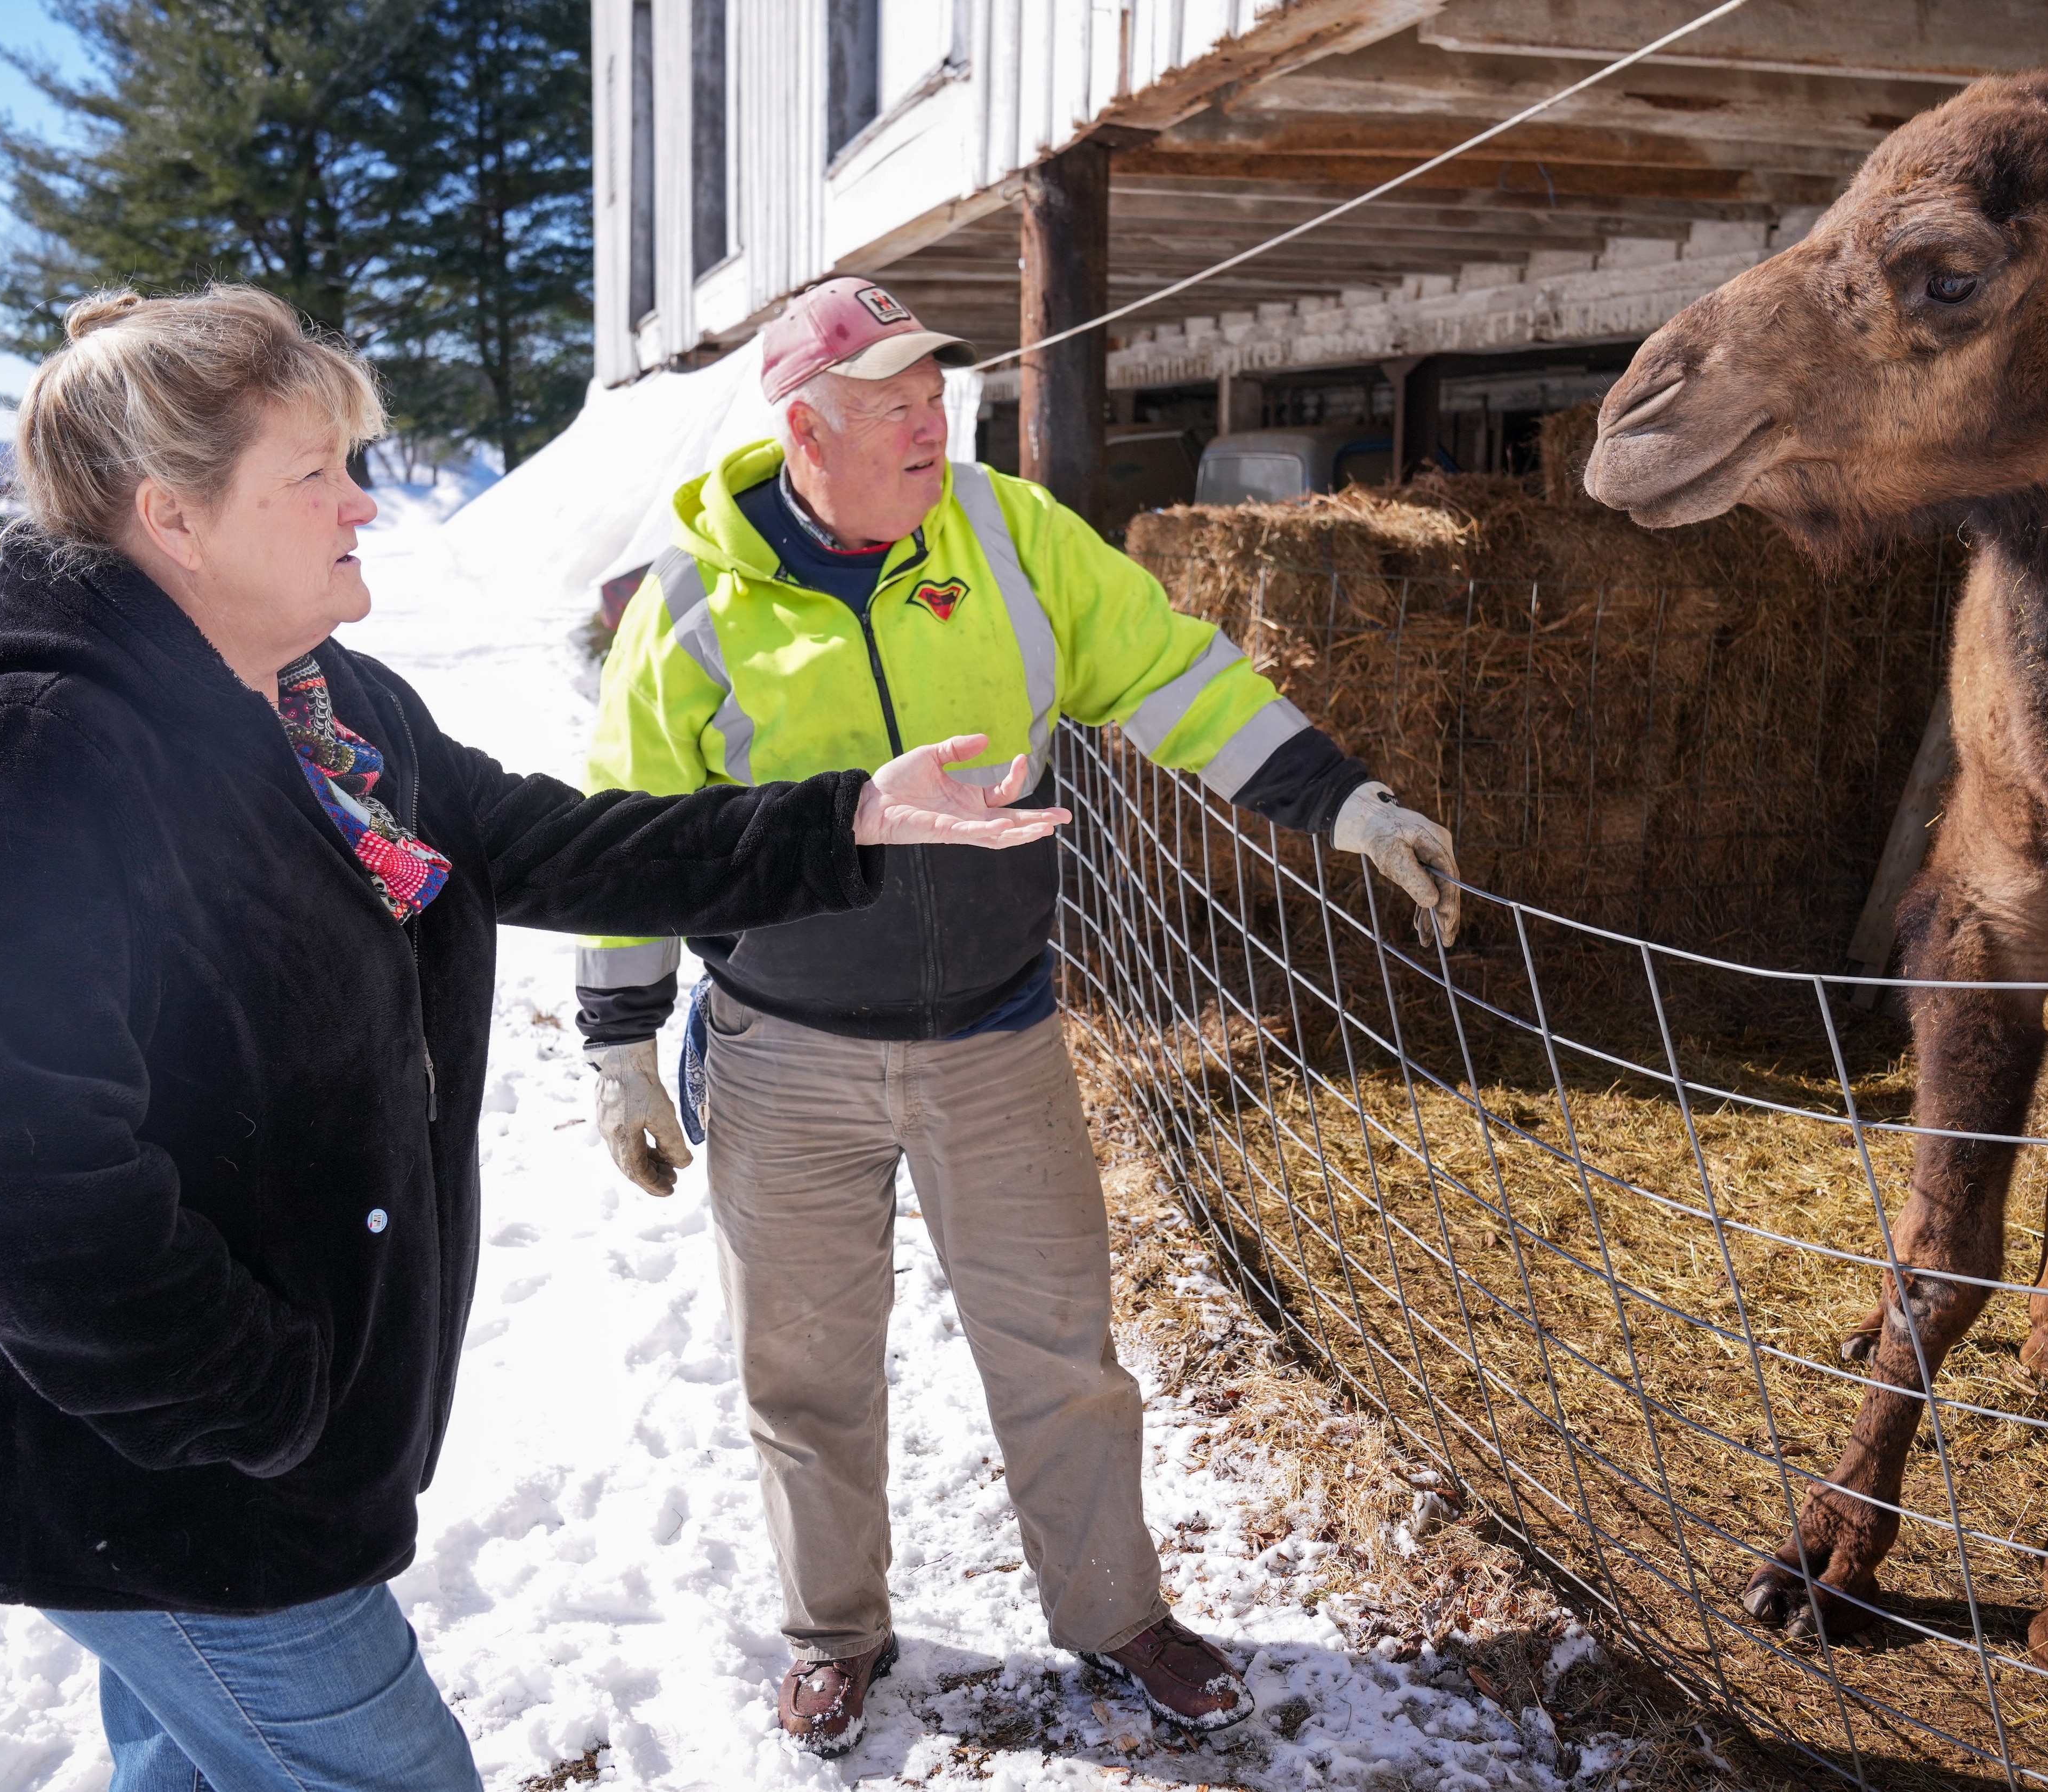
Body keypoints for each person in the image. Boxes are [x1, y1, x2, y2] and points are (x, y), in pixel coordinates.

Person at [0, 283, 1067, 1792]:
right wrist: (268, 1408)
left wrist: (851, 818)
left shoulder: (325, 709)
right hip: (174, 1493)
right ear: (174, 520)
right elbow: (19, 1186)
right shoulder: (42, 765)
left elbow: (551, 844)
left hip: (227, 1469)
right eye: (311, 475)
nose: (362, 503)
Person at [576, 275, 1462, 1754]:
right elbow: (629, 827)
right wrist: (617, 1044)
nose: (933, 422)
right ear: (804, 428)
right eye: (894, 406)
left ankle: (1117, 1616)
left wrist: (1343, 802)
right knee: (803, 1366)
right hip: (785, 1052)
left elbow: (1169, 672)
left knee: (1060, 1352)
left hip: (996, 1034)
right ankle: (833, 1629)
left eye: (937, 394)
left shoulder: (1003, 533)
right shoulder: (688, 600)